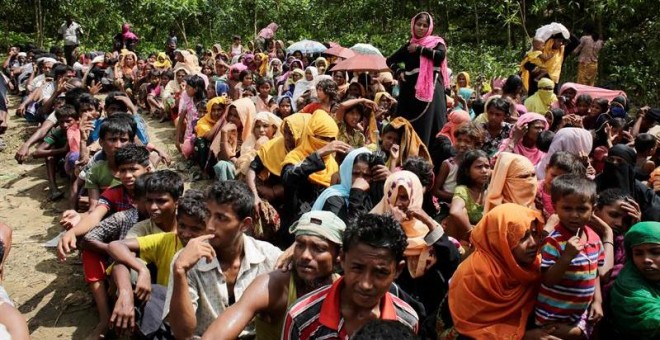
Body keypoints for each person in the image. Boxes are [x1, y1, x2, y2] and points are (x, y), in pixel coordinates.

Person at [164, 181, 282, 338]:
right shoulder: (186, 261)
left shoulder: (269, 257)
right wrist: (180, 272)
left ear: (245, 225)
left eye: (221, 218)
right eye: (208, 215)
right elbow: (182, 333)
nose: (210, 225)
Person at [202, 210, 345, 340]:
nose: (305, 255)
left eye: (318, 248)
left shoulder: (345, 291)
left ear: (339, 255)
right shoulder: (273, 285)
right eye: (300, 245)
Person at [282, 213, 419, 339]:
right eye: (357, 268)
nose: (365, 284)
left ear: (398, 270)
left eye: (380, 272)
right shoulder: (301, 318)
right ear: (342, 259)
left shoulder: (407, 321)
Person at [444, 203, 547, 339]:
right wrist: (523, 336)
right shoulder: (476, 274)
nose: (533, 243)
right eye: (522, 237)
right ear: (500, 239)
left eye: (535, 234)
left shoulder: (535, 265)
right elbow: (470, 328)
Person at [535, 175, 604, 339]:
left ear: (593, 209)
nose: (574, 215)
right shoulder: (554, 241)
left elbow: (594, 271)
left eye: (582, 209)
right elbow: (547, 280)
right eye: (567, 208)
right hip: (551, 316)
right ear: (554, 207)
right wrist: (566, 257)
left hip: (579, 314)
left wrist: (597, 301)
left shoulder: (594, 237)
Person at [386, 12, 448, 146]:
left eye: (425, 25)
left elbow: (440, 56)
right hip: (410, 92)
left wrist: (420, 49)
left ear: (429, 28)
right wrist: (399, 70)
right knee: (408, 124)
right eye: (418, 24)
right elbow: (390, 60)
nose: (421, 28)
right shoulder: (409, 45)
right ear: (413, 25)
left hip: (431, 89)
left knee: (431, 124)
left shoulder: (436, 42)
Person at [608, 221, 660, 338]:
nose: (646, 259)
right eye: (638, 253)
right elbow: (653, 320)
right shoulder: (627, 288)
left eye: (655, 252)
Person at [595, 144, 660, 221]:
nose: (614, 163)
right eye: (611, 160)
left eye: (620, 161)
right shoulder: (595, 184)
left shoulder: (644, 193)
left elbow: (654, 217)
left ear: (630, 166)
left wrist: (638, 222)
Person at [447, 150, 491, 244]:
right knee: (461, 212)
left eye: (487, 167)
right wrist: (472, 232)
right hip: (465, 238)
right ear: (467, 171)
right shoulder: (463, 190)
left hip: (483, 238)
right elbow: (455, 211)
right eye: (479, 167)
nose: (484, 171)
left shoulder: (492, 191)